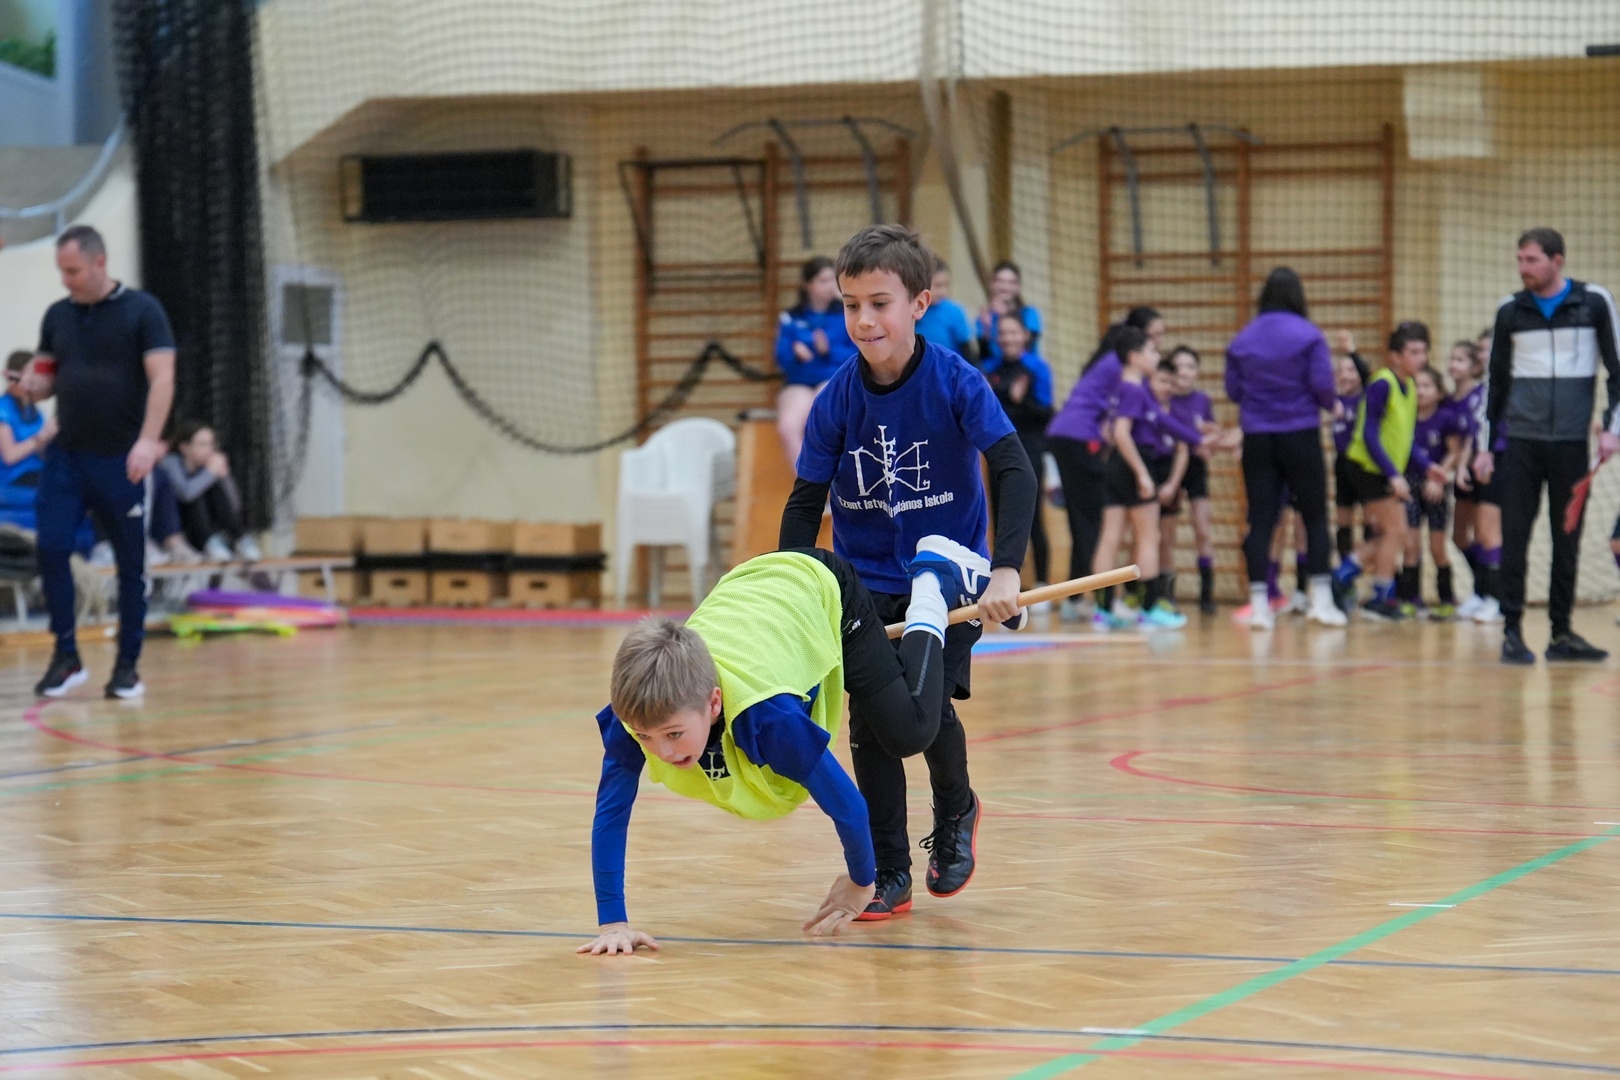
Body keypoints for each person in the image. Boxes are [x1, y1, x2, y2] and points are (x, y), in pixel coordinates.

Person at [780, 224, 1036, 920]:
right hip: (866, 582)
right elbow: (804, 504)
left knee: (920, 712)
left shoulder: (957, 380)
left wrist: (1005, 571)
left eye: (880, 304)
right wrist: (791, 593)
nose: (863, 320)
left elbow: (1014, 469)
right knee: (873, 721)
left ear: (920, 303)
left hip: (950, 573)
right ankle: (888, 870)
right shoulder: (836, 398)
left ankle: (956, 808)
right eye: (850, 305)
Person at [578, 539, 986, 953]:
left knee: (908, 730)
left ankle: (931, 593)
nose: (661, 752)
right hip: (751, 587)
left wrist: (862, 880)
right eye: (645, 737)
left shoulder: (769, 719)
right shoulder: (634, 717)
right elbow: (611, 814)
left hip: (820, 584)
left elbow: (847, 805)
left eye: (674, 734)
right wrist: (613, 924)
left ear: (714, 703)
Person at [27, 225, 175, 700]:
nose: (65, 279)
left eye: (72, 270)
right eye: (61, 271)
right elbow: (45, 377)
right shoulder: (57, 315)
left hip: (121, 458)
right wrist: (34, 384)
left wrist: (148, 441)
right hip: (67, 456)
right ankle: (66, 657)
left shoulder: (143, 311)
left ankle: (127, 666)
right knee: (51, 548)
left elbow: (163, 378)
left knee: (131, 564)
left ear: (99, 262)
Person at [1475, 228, 1620, 664]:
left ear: (1557, 261)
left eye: (1532, 260)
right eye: (1520, 259)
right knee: (1515, 538)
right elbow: (1495, 383)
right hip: (1521, 445)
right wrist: (1486, 447)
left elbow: (1617, 372)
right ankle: (1512, 632)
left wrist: (1613, 429)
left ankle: (1561, 634)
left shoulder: (1594, 302)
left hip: (1572, 446)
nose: (1523, 268)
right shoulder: (1510, 310)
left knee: (1567, 540)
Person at [1224, 267, 1346, 629]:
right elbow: (1322, 384)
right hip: (1300, 433)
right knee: (1314, 517)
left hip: (1257, 437)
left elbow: (1233, 390)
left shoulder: (1242, 338)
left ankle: (1259, 606)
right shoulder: (1309, 335)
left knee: (1261, 519)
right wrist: (1332, 404)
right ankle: (1321, 601)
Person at [1092, 341, 1188, 631]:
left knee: (1109, 538)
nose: (1156, 357)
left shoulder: (1118, 388)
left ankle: (1102, 611)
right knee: (1149, 537)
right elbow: (1121, 433)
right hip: (1134, 463)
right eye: (1152, 352)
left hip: (1113, 464)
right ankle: (1149, 610)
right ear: (1135, 357)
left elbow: (1106, 431)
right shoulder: (1136, 389)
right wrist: (1143, 473)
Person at [1339, 322, 1428, 620]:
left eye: (1424, 351)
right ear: (1395, 356)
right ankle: (1379, 596)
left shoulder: (1410, 386)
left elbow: (1404, 439)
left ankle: (1342, 576)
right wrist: (1393, 474)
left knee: (1395, 533)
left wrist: (1429, 467)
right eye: (1414, 352)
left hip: (1380, 469)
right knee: (1397, 531)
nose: (1421, 358)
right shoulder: (1382, 383)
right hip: (1366, 467)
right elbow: (1370, 435)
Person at [1047, 324, 1132, 622]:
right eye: (1152, 342)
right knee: (1094, 523)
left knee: (1084, 522)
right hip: (1077, 442)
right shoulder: (1118, 368)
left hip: (1067, 440)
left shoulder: (1102, 364)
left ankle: (1076, 599)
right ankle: (1102, 603)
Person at [984, 315, 1053, 587]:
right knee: (1001, 520)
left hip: (1030, 451)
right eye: (1002, 333)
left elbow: (1046, 414)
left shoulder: (1036, 368)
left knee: (1033, 518)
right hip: (998, 455)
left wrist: (1018, 400)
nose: (1008, 338)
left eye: (1013, 332)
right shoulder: (991, 368)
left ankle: (1042, 584)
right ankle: (1008, 586)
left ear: (1025, 335)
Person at [774, 255, 854, 465]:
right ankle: (808, 483)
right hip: (800, 381)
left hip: (832, 377)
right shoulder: (791, 317)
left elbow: (859, 354)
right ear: (807, 285)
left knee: (825, 417)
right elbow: (781, 359)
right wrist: (795, 354)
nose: (830, 286)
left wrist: (829, 351)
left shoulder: (848, 313)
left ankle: (835, 480)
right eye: (823, 280)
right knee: (788, 427)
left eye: (833, 280)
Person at [1400, 365, 1466, 617]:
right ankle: (1410, 598)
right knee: (1410, 545)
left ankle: (1447, 599)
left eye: (1427, 386)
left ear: (1439, 392)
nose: (1421, 391)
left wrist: (1438, 478)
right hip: (1409, 485)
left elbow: (1454, 452)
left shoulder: (1445, 417)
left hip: (1436, 486)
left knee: (1437, 547)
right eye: (1416, 386)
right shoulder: (1404, 416)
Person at [1158, 345, 1219, 613]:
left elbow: (1210, 438)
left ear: (1197, 372)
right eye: (1179, 366)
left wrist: (1212, 439)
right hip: (1168, 466)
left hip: (1194, 468)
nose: (1184, 372)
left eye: (1190, 366)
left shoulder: (1202, 400)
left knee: (1203, 529)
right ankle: (1167, 593)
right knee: (1166, 535)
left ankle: (1207, 595)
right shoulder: (1164, 399)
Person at [159, 419, 261, 562]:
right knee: (196, 493)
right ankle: (210, 542)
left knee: (214, 489)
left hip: (212, 524)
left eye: (211, 444)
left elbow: (234, 505)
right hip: (180, 527)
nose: (209, 450)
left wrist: (224, 477)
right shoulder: (171, 463)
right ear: (184, 447)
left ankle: (241, 539)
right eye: (202, 445)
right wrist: (210, 473)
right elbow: (186, 494)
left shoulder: (208, 467)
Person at [0, 349, 55, 530]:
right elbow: (9, 456)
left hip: (38, 470)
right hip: (15, 476)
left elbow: (42, 452)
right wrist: (41, 438)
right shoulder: (3, 409)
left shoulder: (34, 411)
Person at [976, 260, 1042, 362]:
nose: (1005, 287)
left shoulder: (1030, 314)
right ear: (991, 284)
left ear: (1018, 286)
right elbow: (983, 356)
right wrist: (986, 331)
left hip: (1025, 368)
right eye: (1000, 281)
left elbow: (1027, 347)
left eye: (1011, 282)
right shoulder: (984, 317)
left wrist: (1006, 317)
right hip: (994, 370)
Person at [914, 257, 976, 362]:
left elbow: (966, 349)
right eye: (938, 285)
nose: (943, 291)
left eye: (946, 285)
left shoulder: (954, 311)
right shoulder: (913, 310)